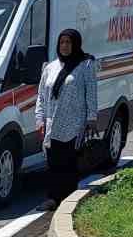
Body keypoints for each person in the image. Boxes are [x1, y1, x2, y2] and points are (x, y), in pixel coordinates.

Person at [36, 28, 98, 210]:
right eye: (62, 42)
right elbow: (41, 95)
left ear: (75, 44)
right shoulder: (50, 67)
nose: (64, 46)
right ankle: (53, 198)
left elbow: (91, 93)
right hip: (52, 122)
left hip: (74, 123)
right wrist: (39, 119)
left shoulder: (85, 65)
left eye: (68, 42)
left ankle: (68, 200)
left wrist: (92, 118)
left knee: (69, 163)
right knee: (53, 163)